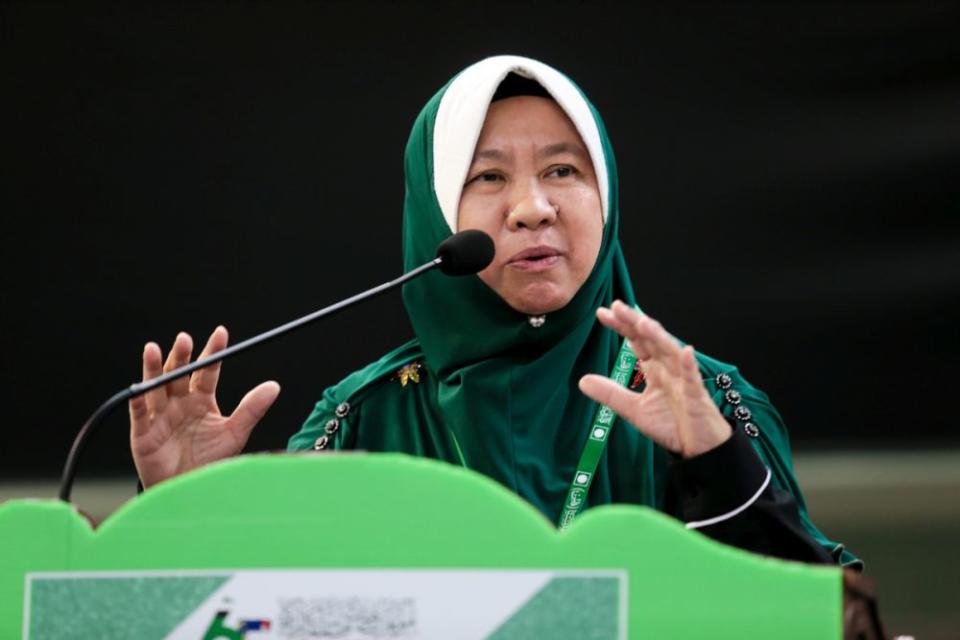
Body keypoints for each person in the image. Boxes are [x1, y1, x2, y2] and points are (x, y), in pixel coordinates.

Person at [129, 55, 860, 568]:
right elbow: (271, 615)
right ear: (437, 214)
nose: (532, 208)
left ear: (605, 199)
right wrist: (188, 515)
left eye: (563, 170)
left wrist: (717, 463)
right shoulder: (362, 422)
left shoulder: (703, 402)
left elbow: (815, 612)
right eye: (488, 176)